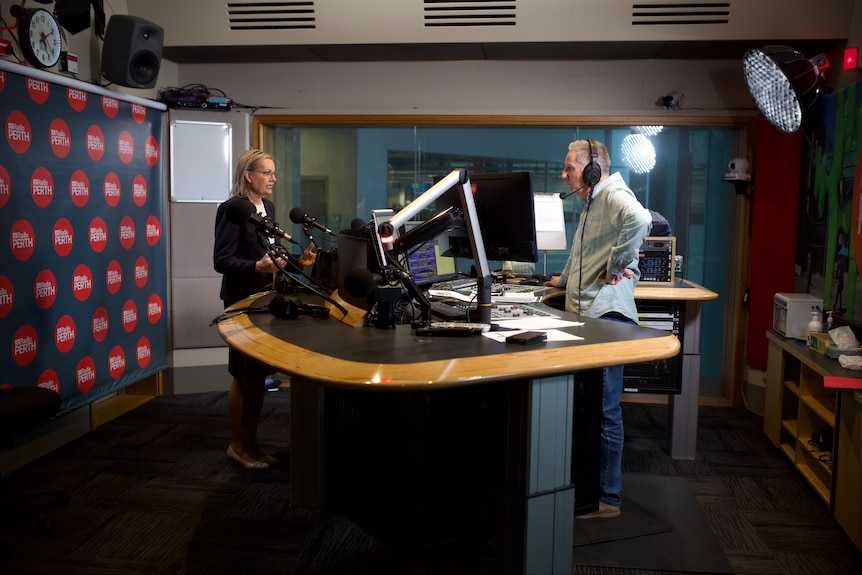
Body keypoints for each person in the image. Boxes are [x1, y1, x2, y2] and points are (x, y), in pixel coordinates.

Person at [545, 139, 652, 518]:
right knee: (588, 407)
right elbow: (580, 251)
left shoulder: (614, 196)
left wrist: (617, 264)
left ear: (592, 170)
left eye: (570, 168)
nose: (564, 174)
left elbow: (641, 220)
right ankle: (588, 489)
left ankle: (608, 499)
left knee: (604, 410)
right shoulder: (593, 202)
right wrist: (560, 283)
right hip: (588, 315)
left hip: (606, 317)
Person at [214, 149, 316, 470]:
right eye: (267, 172)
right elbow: (222, 260)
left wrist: (299, 262)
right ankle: (238, 446)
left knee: (257, 376)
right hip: (241, 302)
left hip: (264, 301)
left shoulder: (267, 207)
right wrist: (256, 267)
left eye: (274, 173)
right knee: (244, 376)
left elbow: (271, 257)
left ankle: (252, 444)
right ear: (249, 175)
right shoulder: (232, 210)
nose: (273, 178)